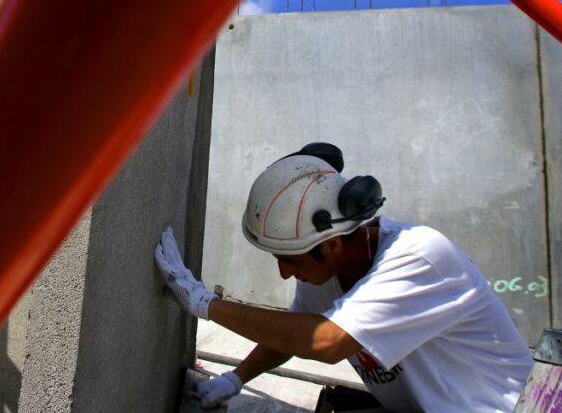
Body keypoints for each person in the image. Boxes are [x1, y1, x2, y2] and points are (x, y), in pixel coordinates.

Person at [155, 142, 533, 412]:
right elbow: (291, 335)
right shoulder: (326, 269)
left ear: (332, 244)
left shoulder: (420, 256)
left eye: (288, 260)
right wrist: (236, 379)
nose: (284, 273)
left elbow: (325, 342)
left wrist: (205, 303)